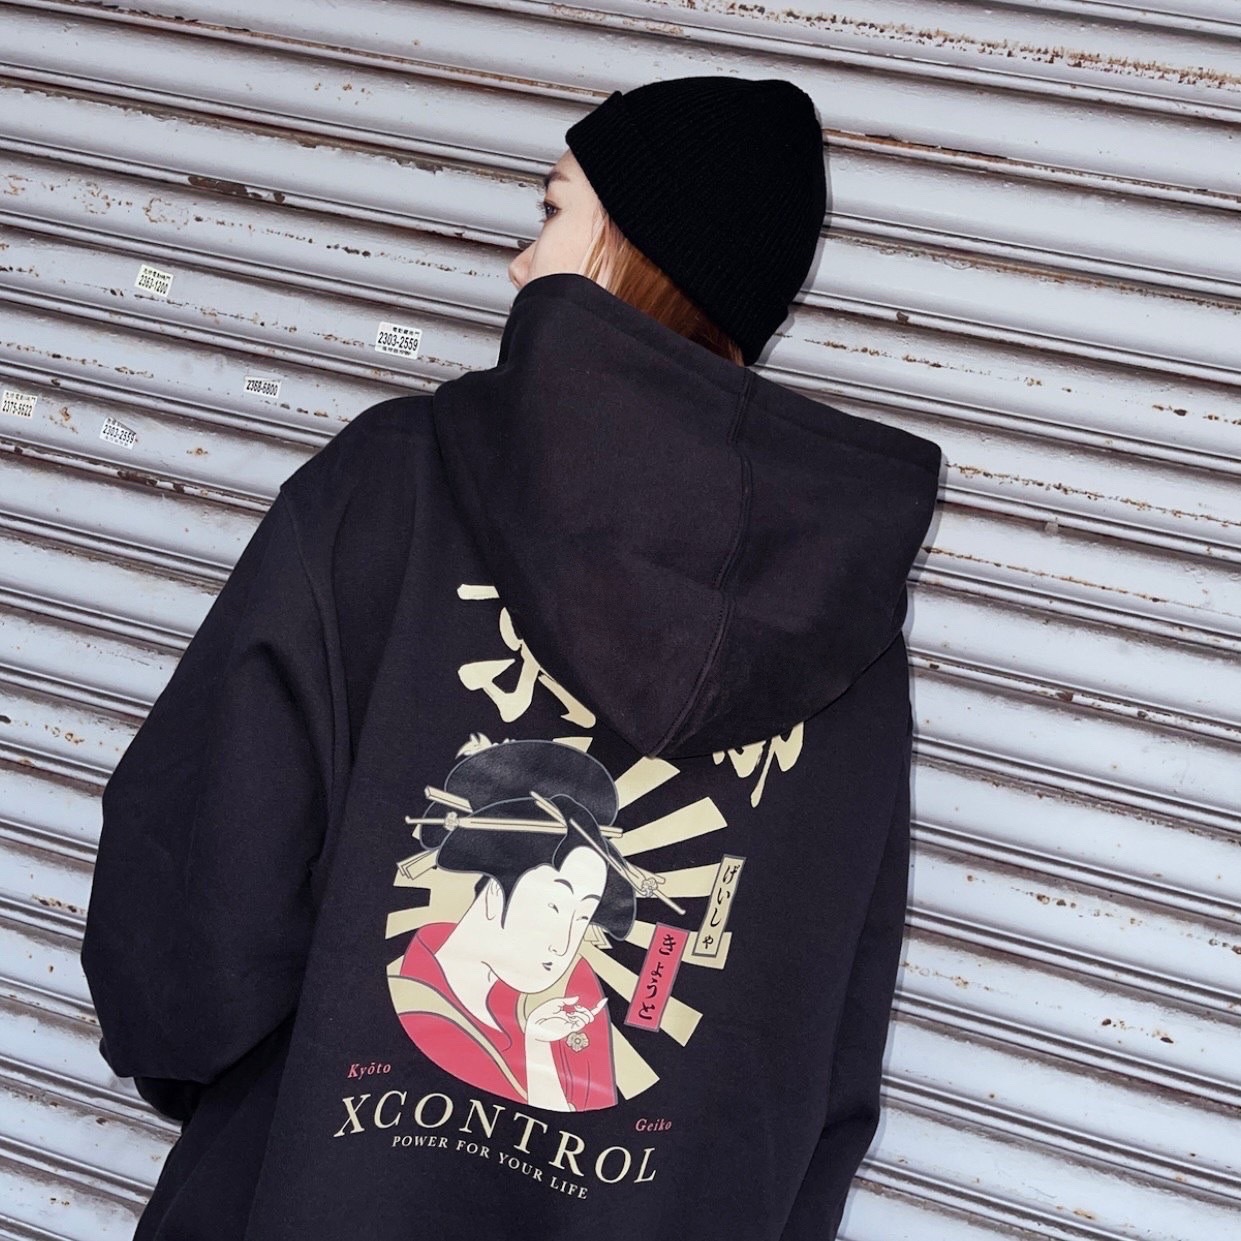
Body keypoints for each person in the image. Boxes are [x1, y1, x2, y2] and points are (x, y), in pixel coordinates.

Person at [81, 75, 944, 1241]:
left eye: (550, 212)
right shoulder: (843, 624)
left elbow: (200, 882)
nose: (519, 262)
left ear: (634, 251)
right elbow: (826, 1046)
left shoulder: (397, 485)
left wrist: (213, 1074)